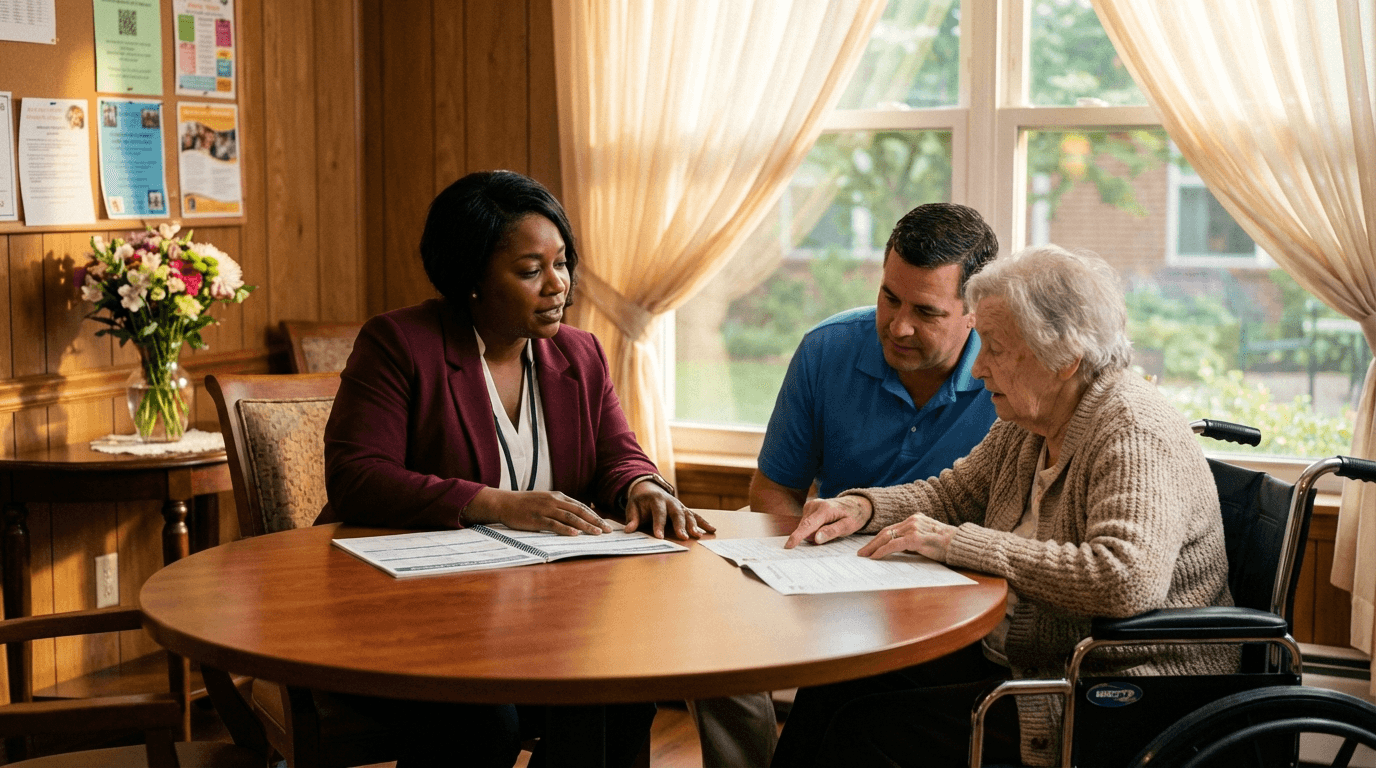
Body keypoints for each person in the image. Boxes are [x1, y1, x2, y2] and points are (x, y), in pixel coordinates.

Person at [771, 245, 1236, 768]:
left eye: (995, 347)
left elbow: (1124, 578)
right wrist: (862, 507)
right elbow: (950, 495)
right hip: (1027, 659)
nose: (980, 364)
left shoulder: (1132, 430)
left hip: (1115, 690)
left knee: (867, 730)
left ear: (1065, 358)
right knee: (837, 678)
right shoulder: (1028, 422)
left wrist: (959, 544)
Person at [320, 170, 715, 768]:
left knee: (618, 690)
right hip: (415, 621)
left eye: (563, 263)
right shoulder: (401, 343)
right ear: (470, 279)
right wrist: (497, 503)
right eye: (532, 271)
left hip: (545, 619)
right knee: (481, 723)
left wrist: (642, 484)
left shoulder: (579, 353)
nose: (558, 285)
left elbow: (618, 453)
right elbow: (357, 476)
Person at [691, 203, 1001, 768]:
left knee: (841, 707)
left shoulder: (1006, 378)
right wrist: (802, 567)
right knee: (709, 645)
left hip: (957, 608)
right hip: (834, 584)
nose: (899, 325)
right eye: (890, 298)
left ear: (975, 312)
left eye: (925, 311)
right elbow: (774, 492)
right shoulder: (827, 349)